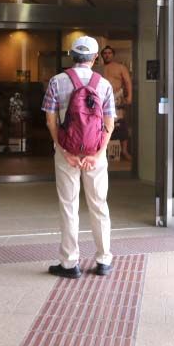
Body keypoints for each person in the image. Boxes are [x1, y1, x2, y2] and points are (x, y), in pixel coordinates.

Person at [42, 36, 116, 278]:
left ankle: (69, 263)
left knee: (69, 206)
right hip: (96, 154)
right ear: (95, 58)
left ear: (72, 56)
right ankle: (104, 260)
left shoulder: (57, 81)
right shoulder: (104, 84)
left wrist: (64, 151)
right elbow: (109, 124)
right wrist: (97, 154)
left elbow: (50, 121)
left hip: (67, 153)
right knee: (99, 204)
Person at [100, 46, 133, 160]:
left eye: (109, 53)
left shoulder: (120, 67)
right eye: (105, 53)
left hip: (117, 96)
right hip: (102, 98)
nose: (107, 55)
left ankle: (124, 150)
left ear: (113, 55)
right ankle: (103, 150)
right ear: (102, 55)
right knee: (103, 123)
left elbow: (128, 82)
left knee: (121, 123)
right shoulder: (99, 69)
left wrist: (129, 96)